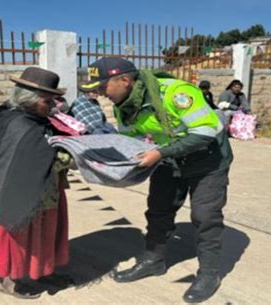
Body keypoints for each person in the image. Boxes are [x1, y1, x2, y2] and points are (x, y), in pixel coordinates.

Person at [81, 58, 233, 303]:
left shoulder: (176, 93)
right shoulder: (124, 104)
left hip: (207, 161)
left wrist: (160, 153)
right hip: (169, 159)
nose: (99, 93)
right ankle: (153, 260)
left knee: (205, 217)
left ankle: (209, 274)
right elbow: (134, 140)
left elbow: (207, 131)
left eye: (102, 87)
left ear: (125, 81)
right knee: (158, 211)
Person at [0, 67, 73, 299]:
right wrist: (71, 156)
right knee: (17, 235)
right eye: (48, 101)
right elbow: (42, 157)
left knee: (45, 233)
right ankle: (10, 280)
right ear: (30, 100)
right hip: (14, 190)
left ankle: (43, 271)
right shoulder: (17, 123)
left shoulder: (34, 119)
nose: (52, 106)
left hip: (44, 189)